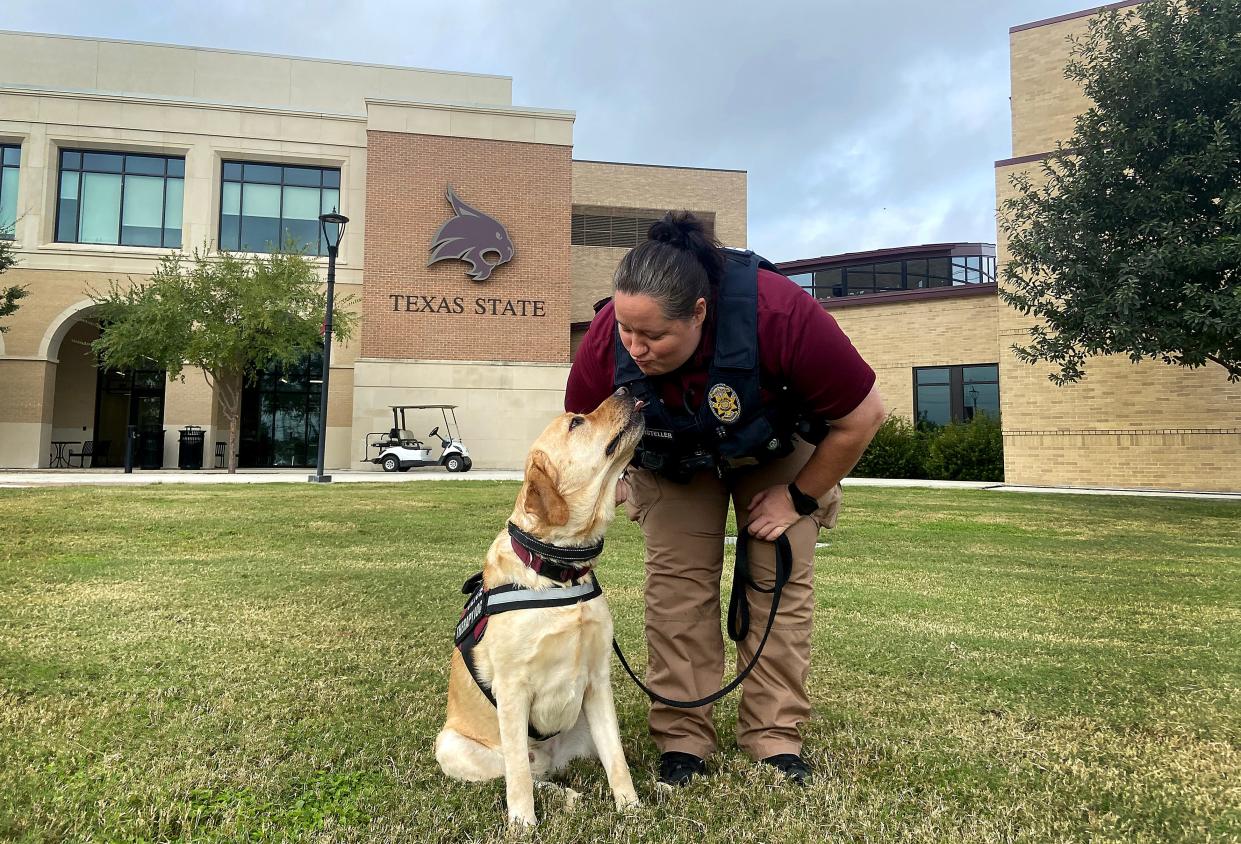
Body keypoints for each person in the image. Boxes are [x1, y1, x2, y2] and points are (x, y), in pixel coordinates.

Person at [565, 211, 885, 787]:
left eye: (654, 336)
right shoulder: (610, 336)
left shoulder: (778, 311)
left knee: (777, 582)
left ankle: (773, 735)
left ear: (699, 313)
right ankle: (683, 738)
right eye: (626, 332)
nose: (635, 348)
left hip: (775, 448)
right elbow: (580, 427)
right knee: (676, 588)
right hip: (674, 458)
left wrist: (799, 497)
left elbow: (862, 418)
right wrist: (608, 483)